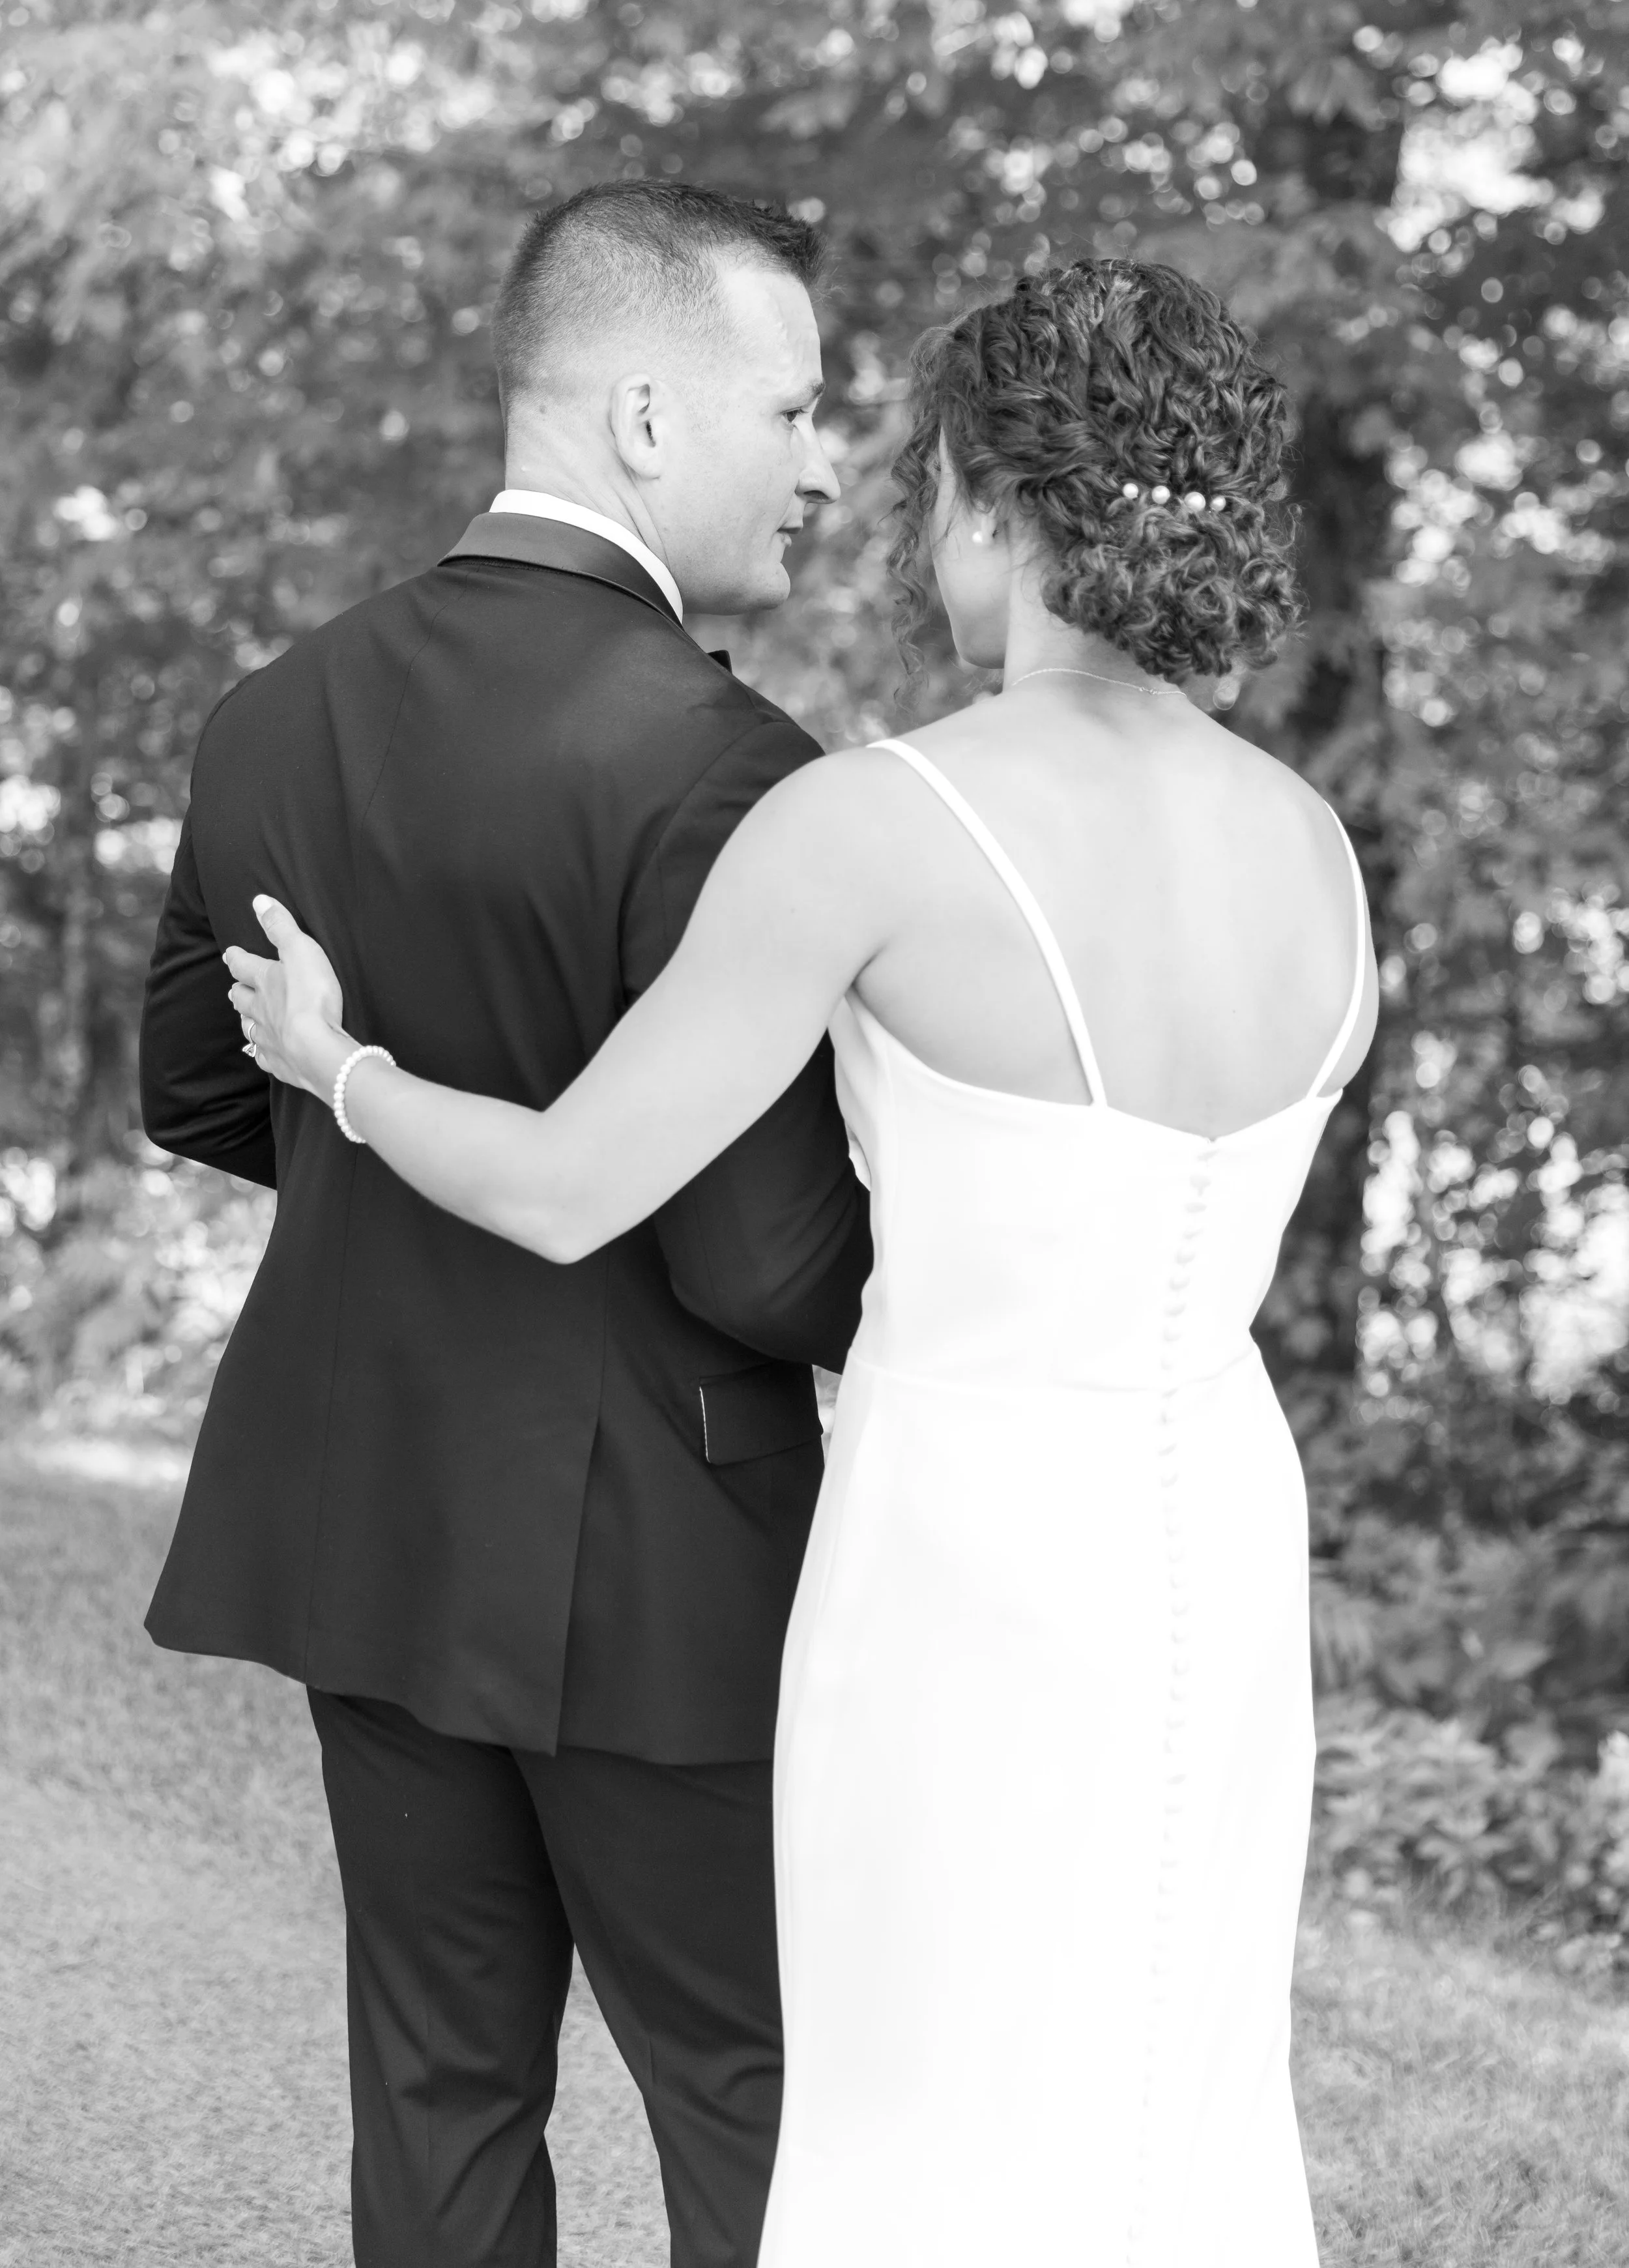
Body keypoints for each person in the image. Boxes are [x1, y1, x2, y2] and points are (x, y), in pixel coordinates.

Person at [227, 255, 1376, 2268]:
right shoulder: (1312, 851)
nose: (906, 523)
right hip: (1210, 1515)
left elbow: (576, 1183)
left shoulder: (873, 824)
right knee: (1158, 2103)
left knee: (912, 2101)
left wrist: (342, 1071)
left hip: (966, 1552)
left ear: (1010, 511)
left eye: (931, 486)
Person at [138, 181, 872, 2268]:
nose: (823, 462)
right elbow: (752, 1256)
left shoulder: (270, 712)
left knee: (443, 2087)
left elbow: (200, 1082)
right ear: (648, 412)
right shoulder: (724, 765)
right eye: (797, 406)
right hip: (664, 1550)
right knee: (758, 2094)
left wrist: (394, 1141)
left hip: (367, 1500)